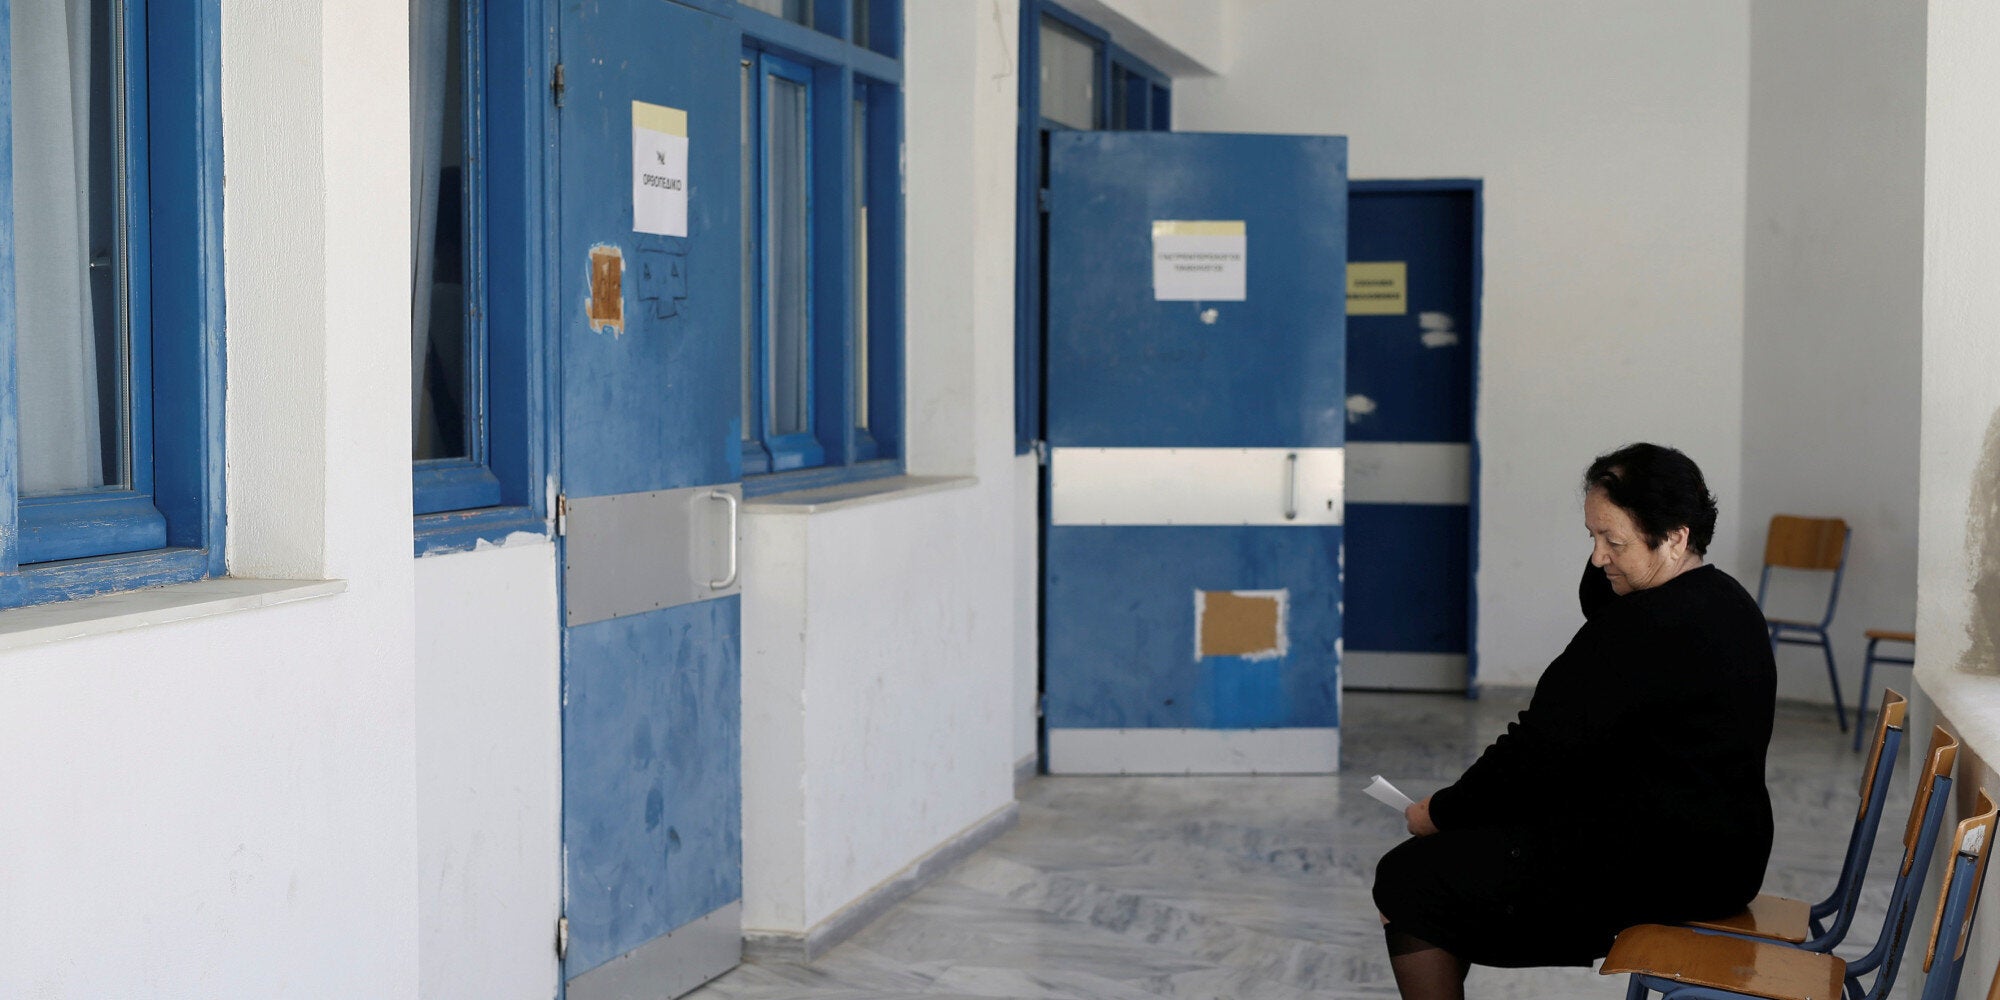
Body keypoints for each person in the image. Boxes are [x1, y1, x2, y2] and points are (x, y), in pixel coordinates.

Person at [1371, 443, 1776, 1000]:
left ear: (1676, 537)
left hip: (1667, 867)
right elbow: (1596, 616)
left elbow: (1536, 749)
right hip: (1723, 856)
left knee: (1408, 879)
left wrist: (1438, 811)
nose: (1598, 557)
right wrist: (1621, 552)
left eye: (1614, 542)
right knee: (1463, 857)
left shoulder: (1643, 628)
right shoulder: (1724, 600)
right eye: (1592, 537)